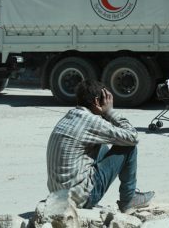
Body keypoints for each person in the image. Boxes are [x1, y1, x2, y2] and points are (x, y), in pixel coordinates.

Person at [46, 79, 154, 213]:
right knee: (128, 146)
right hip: (80, 198)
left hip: (58, 195)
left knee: (101, 146)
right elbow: (133, 137)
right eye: (107, 100)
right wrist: (110, 112)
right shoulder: (91, 121)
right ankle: (128, 199)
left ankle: (127, 196)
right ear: (97, 101)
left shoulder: (70, 117)